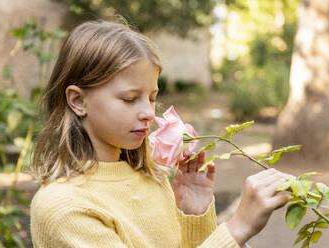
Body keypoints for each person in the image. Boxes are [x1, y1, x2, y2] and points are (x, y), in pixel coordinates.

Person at [30, 19, 291, 248]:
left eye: (152, 98)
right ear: (78, 100)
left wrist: (195, 215)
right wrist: (237, 229)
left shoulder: (151, 179)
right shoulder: (63, 208)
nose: (148, 112)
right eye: (130, 99)